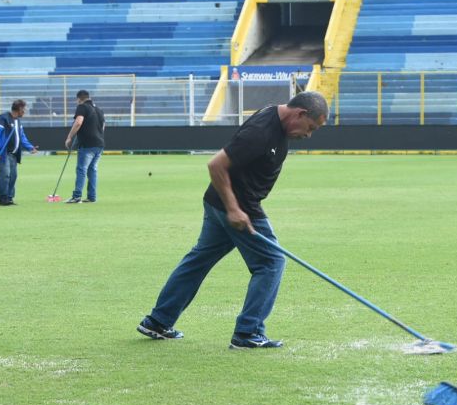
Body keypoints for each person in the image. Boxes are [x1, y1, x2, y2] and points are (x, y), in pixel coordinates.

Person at [137, 91, 328, 349]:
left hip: (220, 203)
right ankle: (248, 333)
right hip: (238, 207)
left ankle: (158, 321)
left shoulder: (276, 117)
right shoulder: (261, 131)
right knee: (271, 262)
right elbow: (216, 165)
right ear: (300, 114)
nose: (308, 135)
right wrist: (234, 210)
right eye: (310, 127)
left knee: (199, 260)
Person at [0, 99, 36, 206]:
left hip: (13, 155)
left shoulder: (18, 121)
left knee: (13, 176)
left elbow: (22, 137)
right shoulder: (3, 119)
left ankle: (9, 197)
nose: (25, 111)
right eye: (23, 109)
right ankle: (2, 198)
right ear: (19, 109)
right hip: (3, 153)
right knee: (5, 175)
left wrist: (30, 147)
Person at [64, 90, 105, 203]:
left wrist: (69, 137)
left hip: (87, 144)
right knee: (92, 170)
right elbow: (103, 127)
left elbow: (78, 122)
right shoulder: (99, 110)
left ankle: (77, 197)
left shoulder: (82, 107)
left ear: (79, 99)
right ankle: (92, 197)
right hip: (99, 144)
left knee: (81, 169)